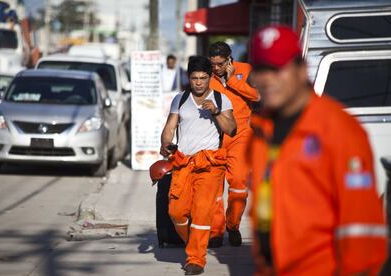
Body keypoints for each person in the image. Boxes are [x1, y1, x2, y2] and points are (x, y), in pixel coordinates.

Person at [248, 25, 387, 275]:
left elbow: (361, 228)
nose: (267, 79)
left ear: (302, 70)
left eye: (277, 69)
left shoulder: (339, 130)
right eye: (260, 69)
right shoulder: (261, 131)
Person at [160, 56, 237, 275]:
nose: (199, 83)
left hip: (211, 165)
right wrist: (165, 144)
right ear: (189, 78)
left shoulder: (222, 100)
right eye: (194, 78)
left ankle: (196, 258)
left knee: (202, 213)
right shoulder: (180, 99)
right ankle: (193, 243)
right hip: (184, 163)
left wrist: (215, 112)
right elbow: (169, 127)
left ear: (210, 77)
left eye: (203, 78)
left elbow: (231, 129)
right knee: (176, 212)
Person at [208, 41, 260, 247]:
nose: (216, 68)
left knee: (239, 183)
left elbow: (258, 95)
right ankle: (216, 231)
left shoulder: (246, 70)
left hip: (241, 134)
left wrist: (232, 81)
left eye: (220, 64)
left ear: (230, 60)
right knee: (214, 186)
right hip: (214, 136)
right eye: (213, 64)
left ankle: (233, 225)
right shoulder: (206, 77)